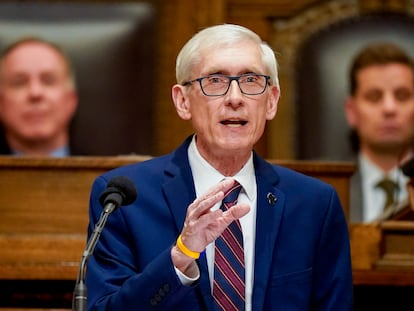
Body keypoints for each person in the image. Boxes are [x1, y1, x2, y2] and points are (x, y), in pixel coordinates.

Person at [85, 24, 353, 310]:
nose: (235, 98)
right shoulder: (124, 200)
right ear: (183, 101)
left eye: (251, 80)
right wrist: (180, 257)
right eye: (215, 81)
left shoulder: (315, 205)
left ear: (271, 101)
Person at [344, 42, 414, 223]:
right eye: (374, 97)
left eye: (402, 95)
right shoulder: (325, 186)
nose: (389, 108)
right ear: (351, 112)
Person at [0, 37, 78, 156]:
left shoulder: (109, 173)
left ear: (71, 100)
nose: (35, 93)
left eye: (48, 81)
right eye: (19, 82)